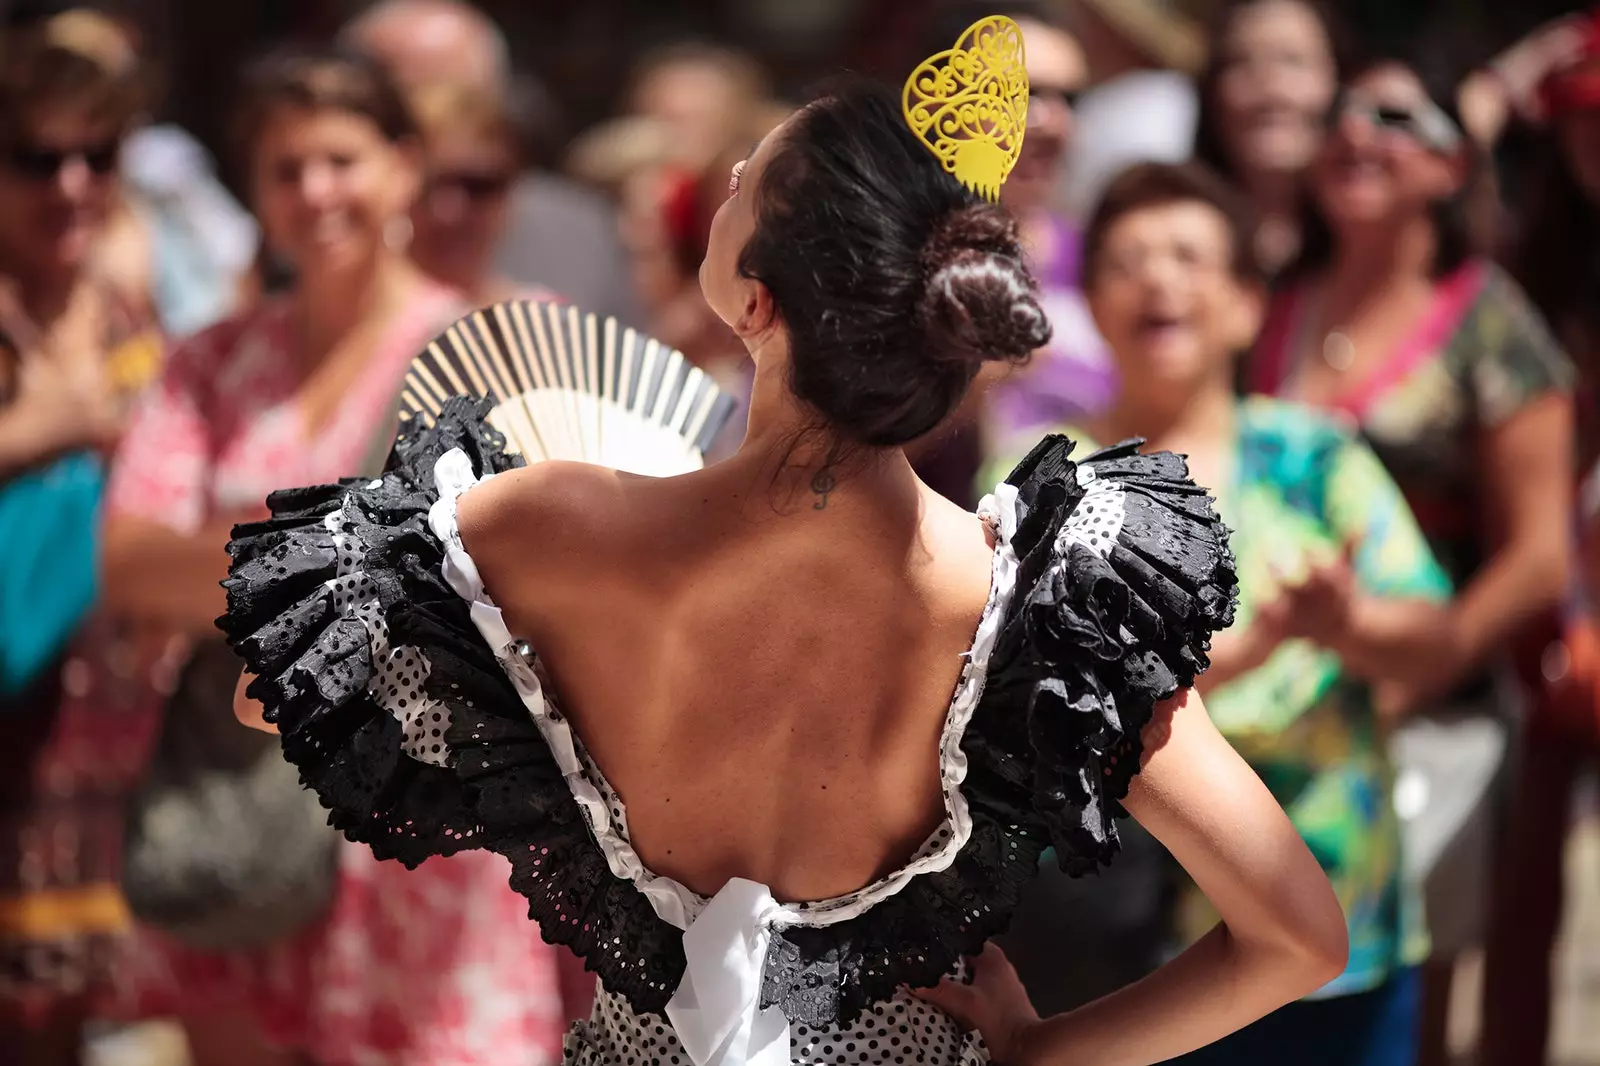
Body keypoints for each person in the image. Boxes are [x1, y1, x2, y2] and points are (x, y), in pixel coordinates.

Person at [223, 65, 1348, 1064]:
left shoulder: (546, 526)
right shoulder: (1037, 606)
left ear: (755, 302)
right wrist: (1042, 1052)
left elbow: (276, 684)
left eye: (741, 181)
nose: (720, 183)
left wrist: (522, 641)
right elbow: (1296, 937)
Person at [99, 48, 567, 1066]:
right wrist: (358, 556)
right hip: (246, 815)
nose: (316, 191)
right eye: (285, 167)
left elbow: (538, 578)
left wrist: (233, 558)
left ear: (403, 165)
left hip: (436, 835)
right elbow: (131, 559)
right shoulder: (211, 362)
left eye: (341, 159)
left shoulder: (493, 349)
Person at [1011, 160, 1451, 1064]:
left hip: (1341, 923)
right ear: (1091, 301)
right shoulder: (1047, 476)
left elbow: (1434, 643)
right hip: (1131, 968)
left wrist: (1351, 624)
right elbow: (1036, 691)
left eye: (1187, 255)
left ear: (1249, 304)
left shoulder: (1318, 456)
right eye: (1129, 260)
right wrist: (1268, 643)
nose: (1159, 278)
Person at [1247, 56, 1576, 1066]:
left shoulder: (1491, 322)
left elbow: (1537, 556)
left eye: (1394, 115)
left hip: (1429, 725)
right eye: (1343, 111)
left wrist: (1419, 666)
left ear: (1447, 167)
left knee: (1396, 1015)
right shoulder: (1269, 303)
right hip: (1266, 715)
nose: (1355, 131)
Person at [0, 8, 165, 1064]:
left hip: (95, 744)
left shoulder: (126, 314)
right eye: (35, 157)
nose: (70, 184)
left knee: (63, 1025)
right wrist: (54, 426)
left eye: (93, 154)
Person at [1481, 16, 1600, 1063]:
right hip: (1554, 618)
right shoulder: (1533, 269)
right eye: (1586, 118)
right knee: (1521, 896)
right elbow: (1453, 135)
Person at [340, 0, 640, 326]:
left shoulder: (579, 244)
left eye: (480, 184)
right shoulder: (316, 256)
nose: (450, 207)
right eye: (428, 183)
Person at [1193, 0, 1346, 279]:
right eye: (1241, 63)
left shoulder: (1370, 246)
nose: (1271, 90)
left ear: (1336, 82)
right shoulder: (1178, 237)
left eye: (1292, 62)